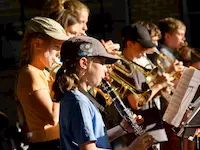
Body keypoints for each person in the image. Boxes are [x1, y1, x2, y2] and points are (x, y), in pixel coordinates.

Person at [52, 36, 155, 150]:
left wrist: (121, 128)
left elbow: (94, 140)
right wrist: (131, 149)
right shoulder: (78, 101)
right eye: (102, 63)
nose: (106, 69)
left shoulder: (78, 98)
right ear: (84, 63)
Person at [16, 16, 69, 150]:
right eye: (56, 47)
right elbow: (53, 118)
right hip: (48, 145)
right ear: (37, 44)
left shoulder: (44, 72)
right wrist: (61, 84)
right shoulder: (30, 73)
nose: (59, 54)